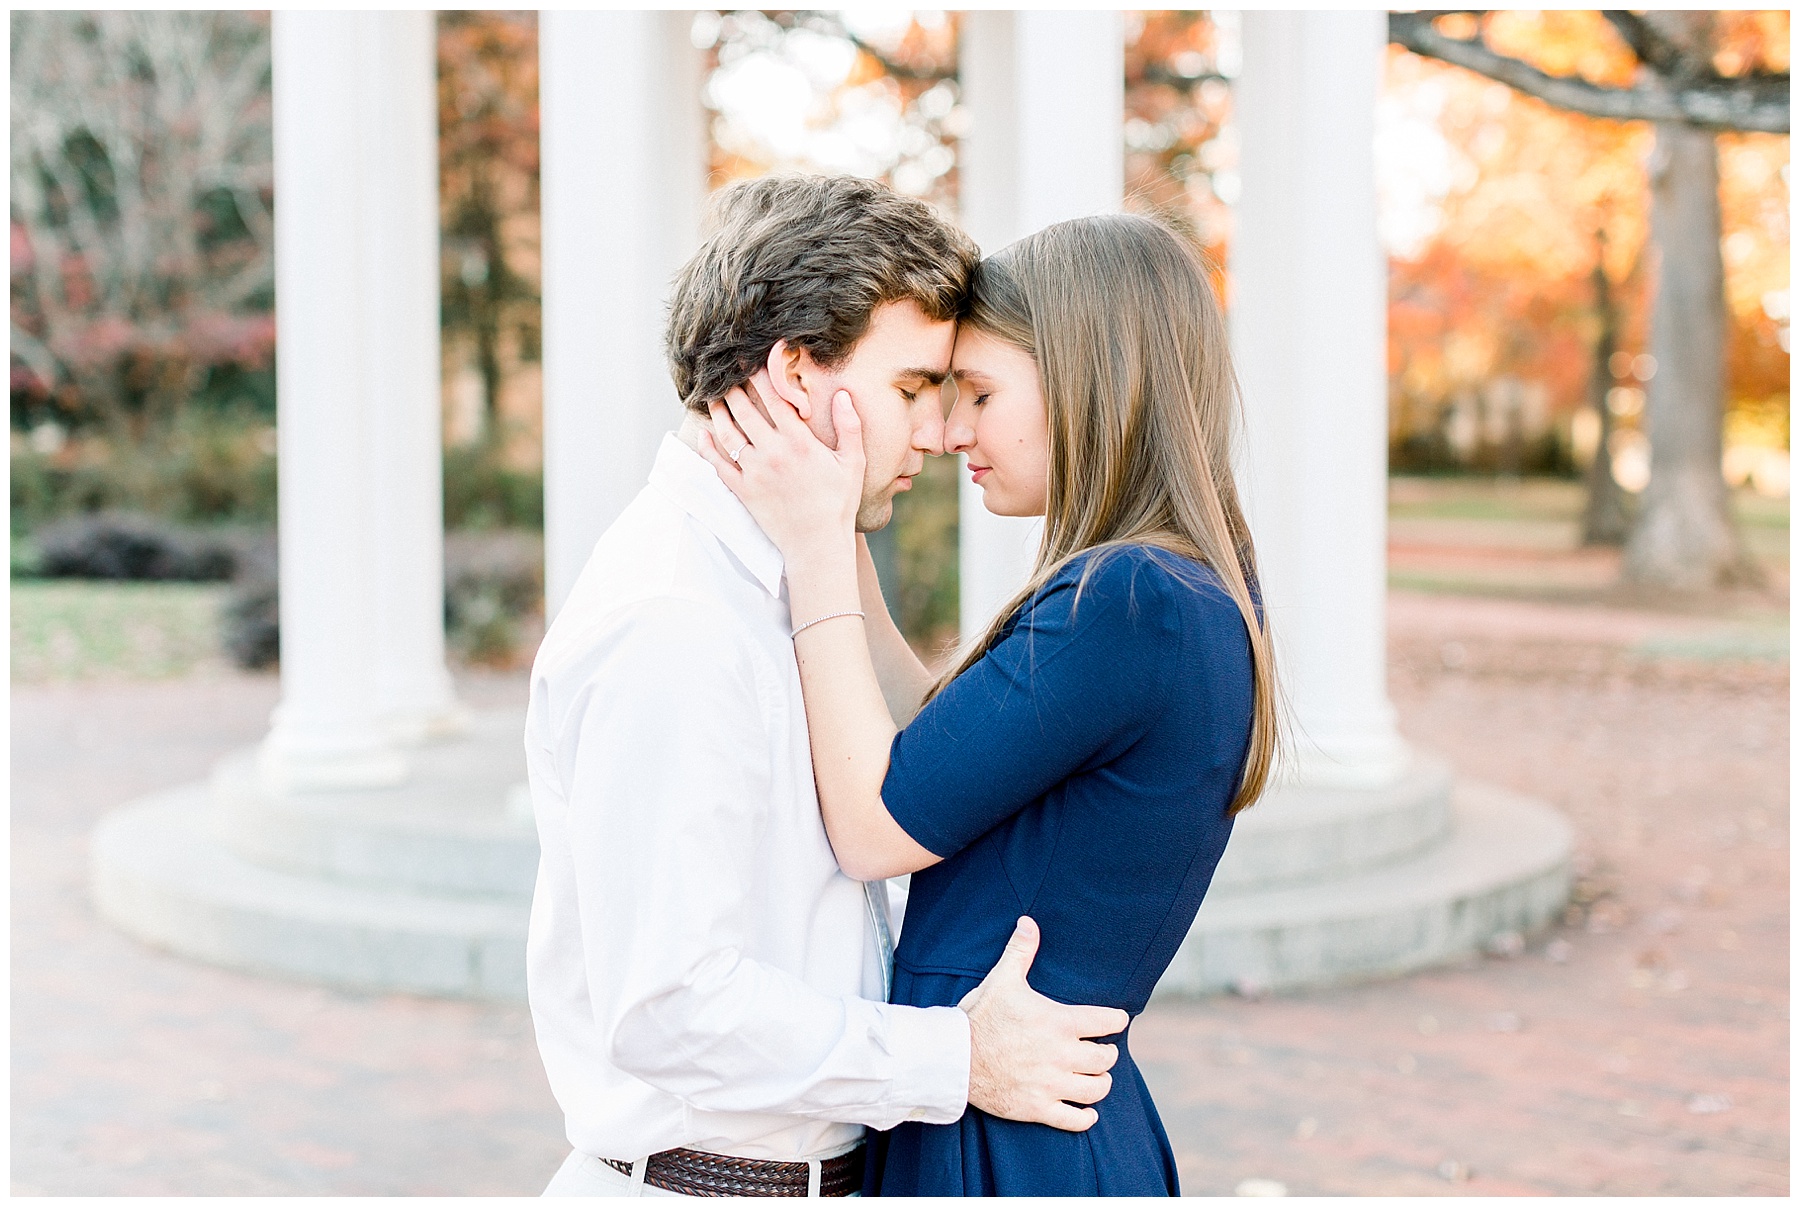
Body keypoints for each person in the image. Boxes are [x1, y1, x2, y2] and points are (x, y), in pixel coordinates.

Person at [525, 175, 1129, 1199]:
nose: (939, 435)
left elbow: (918, 760)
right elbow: (671, 1003)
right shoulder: (677, 620)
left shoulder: (773, 580)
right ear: (797, 371)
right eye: (911, 389)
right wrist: (959, 1060)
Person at [700, 212, 1280, 1196]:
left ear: (1090, 379)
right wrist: (834, 527)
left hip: (1006, 1143)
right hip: (1015, 1120)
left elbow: (878, 827)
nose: (951, 429)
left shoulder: (1129, 601)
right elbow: (945, 746)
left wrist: (807, 556)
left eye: (978, 391)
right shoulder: (1168, 591)